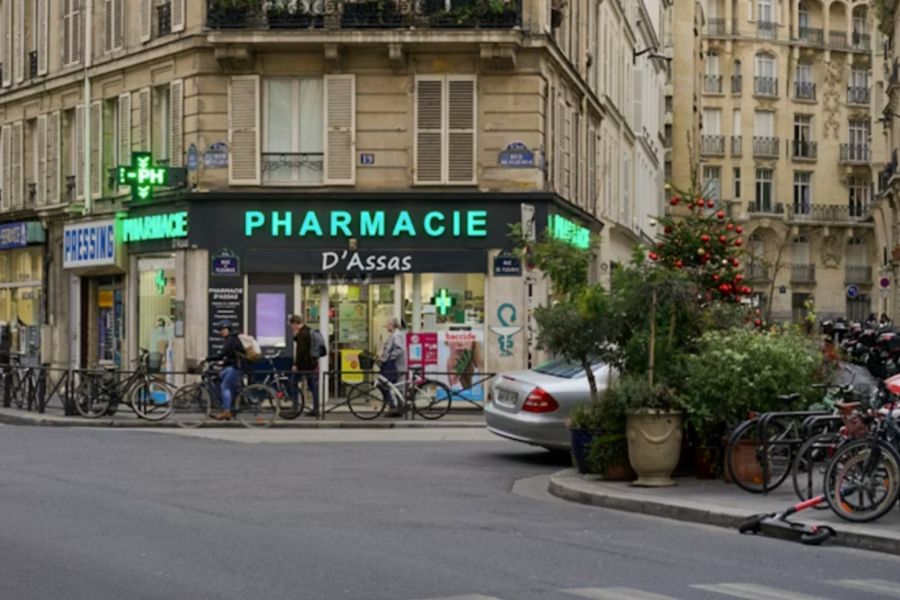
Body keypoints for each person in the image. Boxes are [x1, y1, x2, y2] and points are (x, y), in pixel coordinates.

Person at [211, 320, 243, 421]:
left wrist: (208, 358)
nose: (220, 332)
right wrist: (222, 363)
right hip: (234, 365)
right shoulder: (231, 338)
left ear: (227, 329)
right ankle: (230, 404)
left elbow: (222, 354)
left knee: (225, 386)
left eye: (222, 330)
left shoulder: (231, 339)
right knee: (220, 376)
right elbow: (230, 355)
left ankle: (227, 411)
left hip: (238, 367)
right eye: (220, 330)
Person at [289, 315, 319, 417]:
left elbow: (301, 352)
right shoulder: (308, 331)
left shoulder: (302, 334)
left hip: (304, 366)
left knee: (293, 383)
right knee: (313, 387)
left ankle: (295, 407)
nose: (292, 328)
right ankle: (316, 409)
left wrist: (296, 365)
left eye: (292, 325)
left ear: (295, 324)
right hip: (312, 364)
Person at [379, 317, 407, 417]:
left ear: (392, 325)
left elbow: (399, 349)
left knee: (387, 384)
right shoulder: (394, 335)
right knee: (393, 386)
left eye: (388, 324)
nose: (386, 326)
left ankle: (394, 407)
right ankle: (396, 407)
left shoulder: (397, 335)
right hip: (393, 364)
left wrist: (389, 358)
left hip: (395, 365)